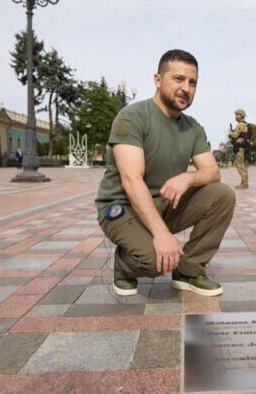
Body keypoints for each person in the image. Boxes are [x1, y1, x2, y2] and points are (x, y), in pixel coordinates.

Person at [93, 49, 233, 298]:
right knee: (155, 261)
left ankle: (189, 271)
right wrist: (162, 236)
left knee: (222, 196)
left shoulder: (192, 128)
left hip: (164, 204)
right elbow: (131, 180)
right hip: (123, 206)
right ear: (158, 80)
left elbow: (212, 172)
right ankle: (124, 265)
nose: (186, 88)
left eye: (192, 82)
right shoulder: (133, 117)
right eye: (178, 79)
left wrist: (188, 177)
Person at [229, 109, 252, 189]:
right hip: (243, 147)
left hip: (240, 148)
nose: (236, 116)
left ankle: (244, 184)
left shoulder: (240, 125)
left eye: (237, 115)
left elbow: (235, 135)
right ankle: (244, 183)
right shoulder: (244, 124)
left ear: (241, 115)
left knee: (240, 165)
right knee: (242, 165)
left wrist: (230, 133)